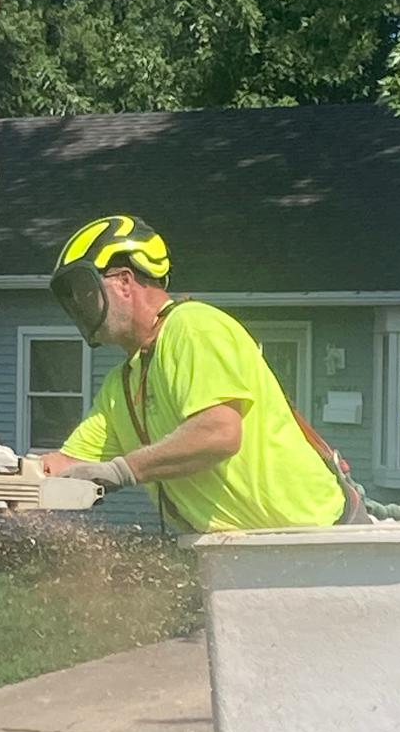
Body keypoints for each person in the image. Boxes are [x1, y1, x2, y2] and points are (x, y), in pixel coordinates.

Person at [40, 214, 363, 532]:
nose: (80, 305)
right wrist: (3, 478)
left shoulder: (192, 326)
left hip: (321, 537)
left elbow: (218, 434)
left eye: (85, 290)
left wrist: (125, 470)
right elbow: (68, 464)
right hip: (242, 552)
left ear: (124, 282)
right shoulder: (121, 384)